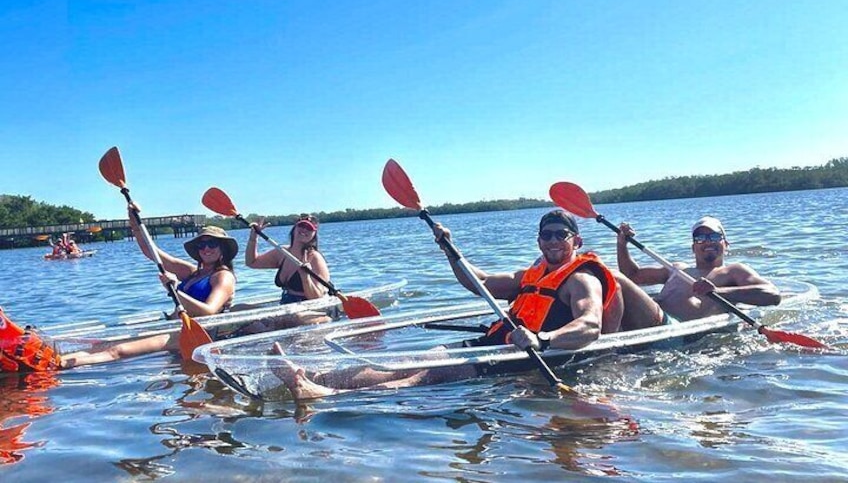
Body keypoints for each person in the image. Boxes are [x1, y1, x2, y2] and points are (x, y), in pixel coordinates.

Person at [270, 209, 625, 400]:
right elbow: (480, 283)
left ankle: (323, 395)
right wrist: (450, 251)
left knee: (427, 375)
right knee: (409, 360)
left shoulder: (582, 278)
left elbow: (590, 325)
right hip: (493, 344)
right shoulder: (530, 273)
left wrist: (543, 339)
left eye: (559, 235)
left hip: (522, 357)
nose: (551, 241)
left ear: (575, 239)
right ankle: (315, 376)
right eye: (545, 235)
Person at [59, 215, 238, 368]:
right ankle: (56, 359)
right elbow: (152, 252)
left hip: (189, 334)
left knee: (118, 351)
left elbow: (209, 311)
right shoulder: (193, 272)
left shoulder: (223, 277)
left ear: (222, 248)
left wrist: (175, 290)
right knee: (108, 344)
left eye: (212, 243)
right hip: (171, 325)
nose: (206, 248)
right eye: (201, 245)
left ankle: (56, 367)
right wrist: (135, 223)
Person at [616, 216, 780, 323]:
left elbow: (773, 295)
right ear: (693, 247)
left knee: (617, 279)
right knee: (608, 278)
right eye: (700, 239)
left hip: (672, 329)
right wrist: (622, 244)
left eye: (714, 237)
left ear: (726, 244)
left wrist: (719, 292)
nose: (708, 242)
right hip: (648, 320)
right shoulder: (675, 268)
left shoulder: (733, 271)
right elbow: (632, 276)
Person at [236, 214, 331, 327]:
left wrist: (305, 278)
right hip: (286, 308)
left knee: (295, 318)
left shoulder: (315, 258)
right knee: (237, 309)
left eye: (309, 228)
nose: (304, 230)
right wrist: (253, 238)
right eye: (302, 226)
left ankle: (272, 326)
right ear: (294, 228)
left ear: (314, 234)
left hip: (311, 311)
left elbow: (317, 299)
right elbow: (252, 262)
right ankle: (273, 324)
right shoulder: (282, 252)